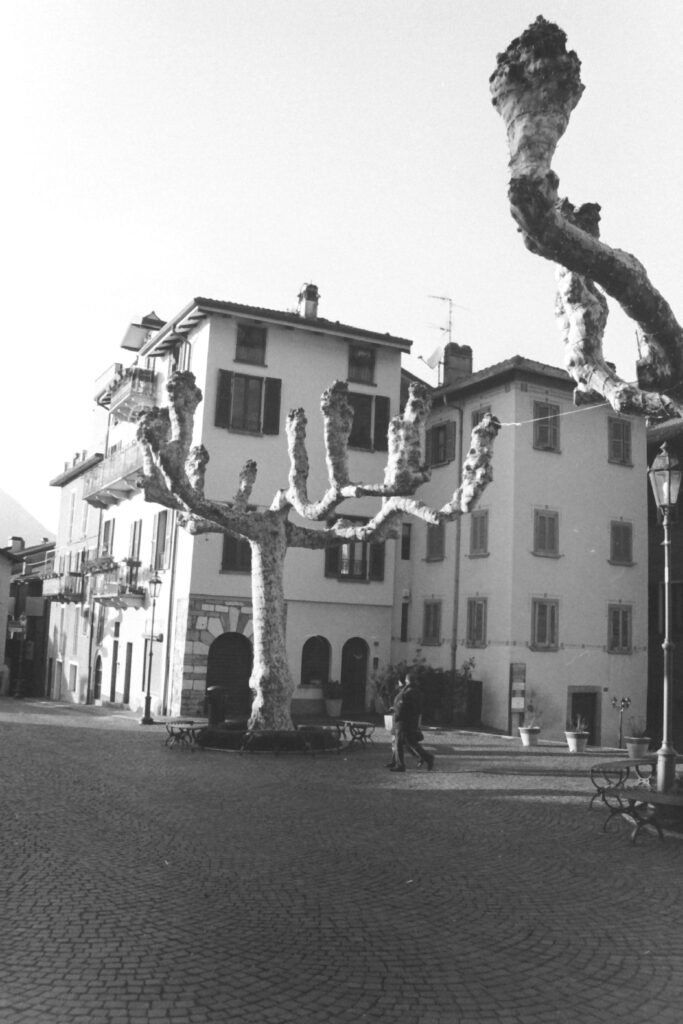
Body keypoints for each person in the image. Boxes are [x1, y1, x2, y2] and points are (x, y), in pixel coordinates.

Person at [390, 670, 435, 772]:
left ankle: (400, 765)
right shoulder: (417, 692)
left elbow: (402, 706)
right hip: (412, 720)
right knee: (411, 742)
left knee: (399, 743)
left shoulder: (407, 691)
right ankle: (427, 758)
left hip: (403, 721)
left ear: (407, 680)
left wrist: (395, 711)